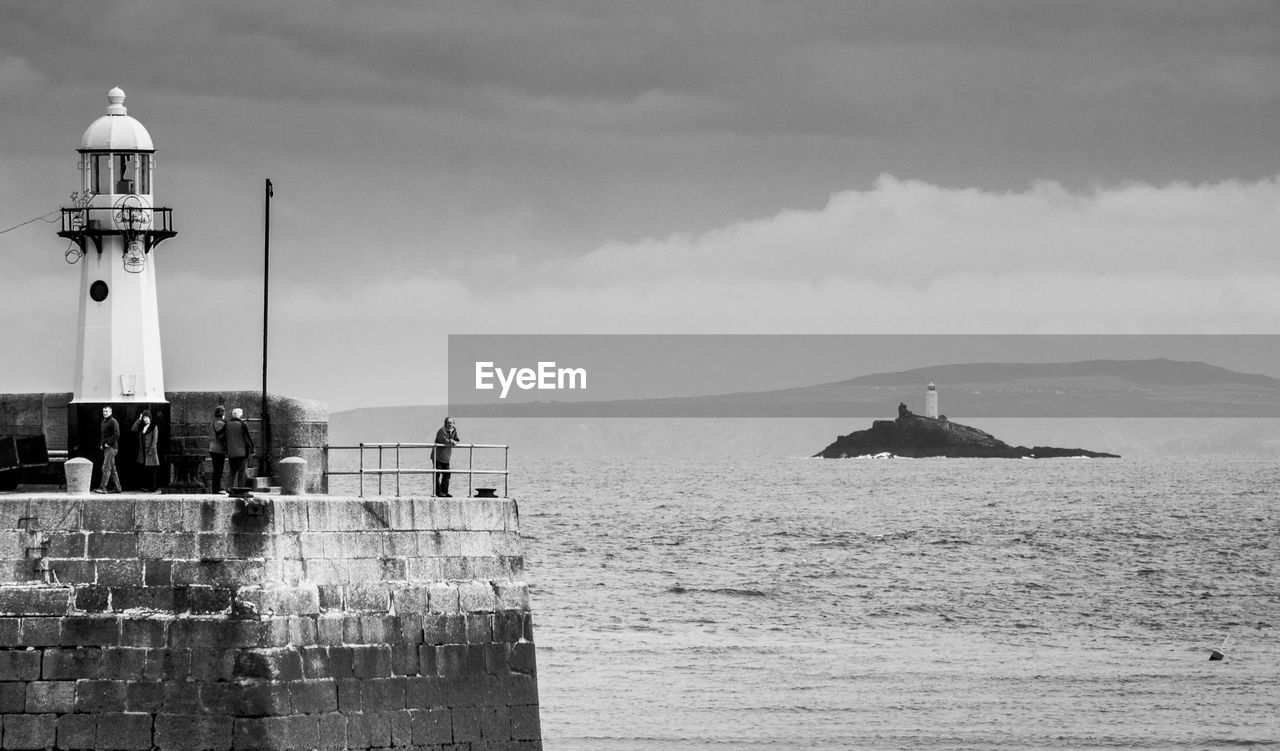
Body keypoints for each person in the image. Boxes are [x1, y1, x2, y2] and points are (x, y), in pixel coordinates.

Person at [94, 406, 123, 494]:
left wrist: (108, 443)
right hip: (107, 448)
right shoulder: (104, 421)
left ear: (110, 412)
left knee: (106, 467)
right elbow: (104, 435)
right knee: (113, 469)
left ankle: (103, 488)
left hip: (111, 448)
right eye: (103, 411)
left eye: (106, 411)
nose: (104, 413)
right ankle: (118, 488)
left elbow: (116, 434)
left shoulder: (113, 421)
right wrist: (102, 445)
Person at [225, 407, 255, 490]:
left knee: (232, 471)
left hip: (231, 452)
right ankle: (240, 489)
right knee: (242, 472)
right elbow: (247, 438)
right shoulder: (242, 424)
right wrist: (252, 449)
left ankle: (229, 488)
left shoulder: (227, 425)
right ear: (240, 415)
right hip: (242, 452)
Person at [132, 409, 160, 493]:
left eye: (147, 417)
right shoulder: (142, 426)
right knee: (145, 470)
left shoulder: (154, 426)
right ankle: (147, 487)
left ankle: (153, 488)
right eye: (144, 417)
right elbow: (133, 429)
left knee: (152, 470)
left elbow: (155, 439)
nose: (145, 419)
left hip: (150, 451)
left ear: (150, 418)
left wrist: (151, 450)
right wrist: (139, 419)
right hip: (143, 452)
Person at [432, 416, 460, 497]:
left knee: (447, 474)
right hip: (437, 455)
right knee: (437, 474)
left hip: (446, 456)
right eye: (448, 423)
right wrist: (451, 441)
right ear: (445, 423)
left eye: (451, 423)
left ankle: (444, 491)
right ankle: (438, 492)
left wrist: (455, 442)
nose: (450, 424)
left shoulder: (454, 430)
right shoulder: (442, 430)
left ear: (453, 423)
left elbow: (457, 439)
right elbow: (443, 440)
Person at [208, 405, 227, 494]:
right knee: (218, 470)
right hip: (218, 449)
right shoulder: (220, 423)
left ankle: (215, 488)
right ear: (222, 413)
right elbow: (222, 437)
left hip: (212, 448)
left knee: (217, 469)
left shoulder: (212, 423)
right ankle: (216, 489)